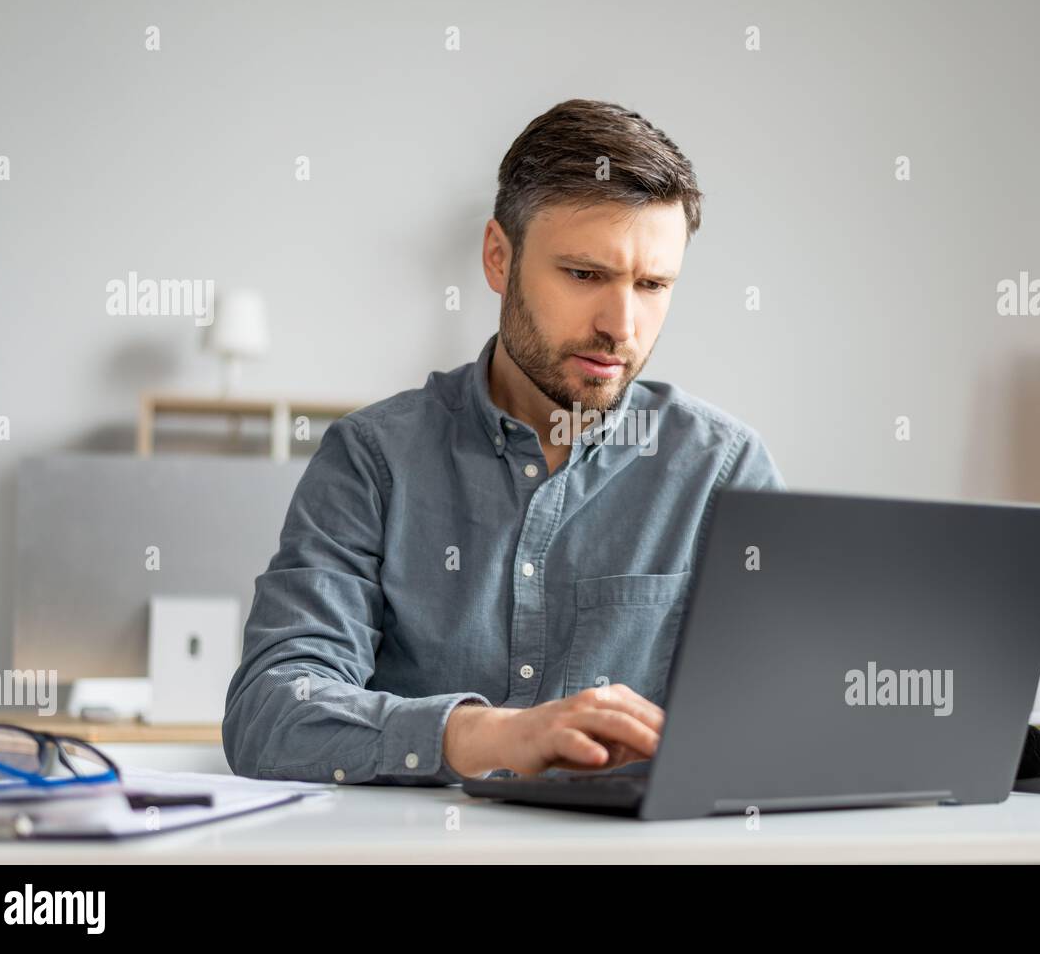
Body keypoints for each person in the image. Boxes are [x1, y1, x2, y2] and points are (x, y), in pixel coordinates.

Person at [223, 98, 785, 787]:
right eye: (584, 275)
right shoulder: (373, 460)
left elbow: (782, 721)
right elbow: (270, 709)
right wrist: (485, 735)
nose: (621, 325)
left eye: (653, 284)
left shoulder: (723, 471)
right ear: (499, 257)